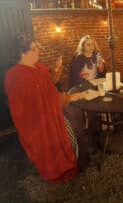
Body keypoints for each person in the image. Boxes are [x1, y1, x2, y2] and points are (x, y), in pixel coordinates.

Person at [4, 34, 86, 183]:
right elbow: (43, 99)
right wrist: (72, 97)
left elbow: (48, 84)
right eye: (34, 49)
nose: (39, 51)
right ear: (22, 52)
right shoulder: (17, 76)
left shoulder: (37, 67)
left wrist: (56, 69)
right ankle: (61, 172)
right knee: (60, 143)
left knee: (71, 135)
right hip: (40, 123)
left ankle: (74, 161)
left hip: (50, 115)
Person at [69, 35, 106, 136]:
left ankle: (100, 128)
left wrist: (100, 65)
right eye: (88, 44)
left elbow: (101, 72)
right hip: (83, 88)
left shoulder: (96, 55)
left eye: (92, 44)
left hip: (96, 85)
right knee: (90, 111)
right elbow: (74, 76)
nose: (91, 47)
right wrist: (85, 81)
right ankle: (90, 132)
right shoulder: (78, 57)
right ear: (83, 46)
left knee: (100, 106)